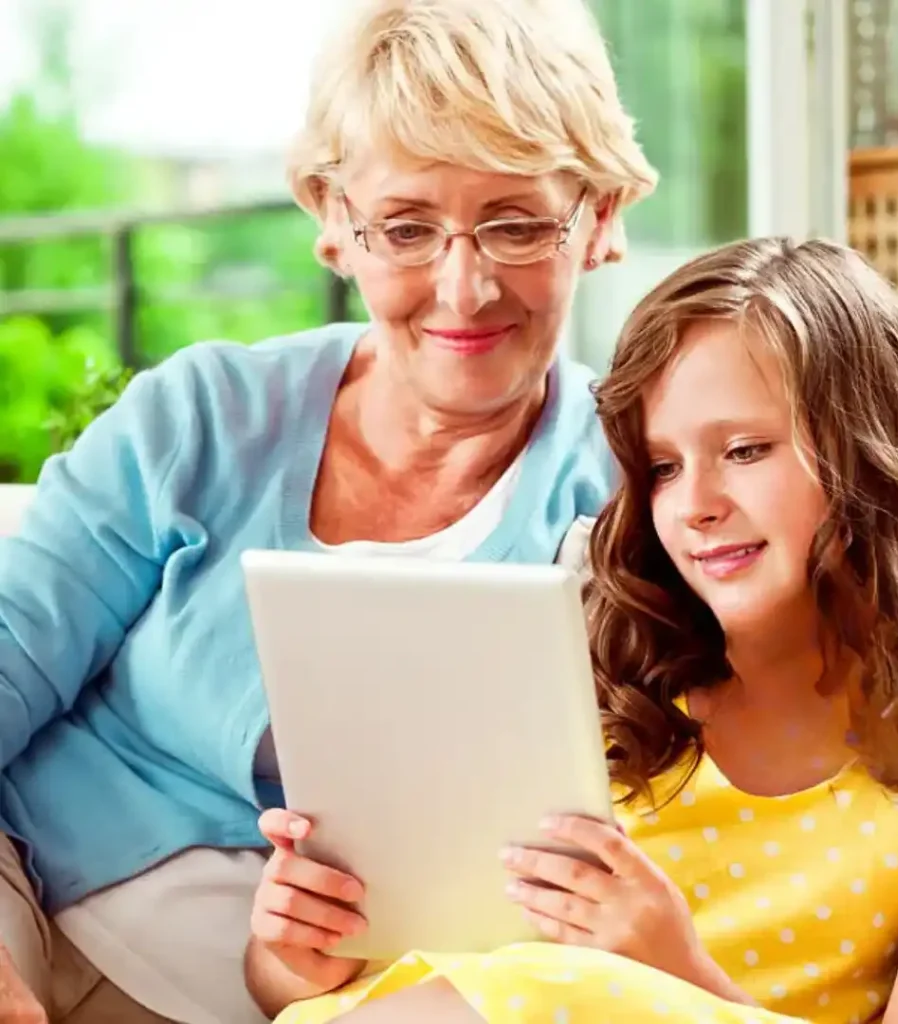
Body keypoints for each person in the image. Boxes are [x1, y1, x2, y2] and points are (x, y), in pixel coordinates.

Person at [0, 0, 657, 1020]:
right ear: (332, 223)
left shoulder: (639, 495)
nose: (463, 284)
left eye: (517, 221)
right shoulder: (201, 419)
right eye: (405, 226)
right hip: (32, 903)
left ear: (601, 216)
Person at [260, 237, 898, 1024]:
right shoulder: (586, 679)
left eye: (744, 450)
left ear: (865, 451)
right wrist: (298, 954)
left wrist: (680, 969)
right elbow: (309, 986)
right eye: (663, 467)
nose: (694, 503)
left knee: (559, 987)